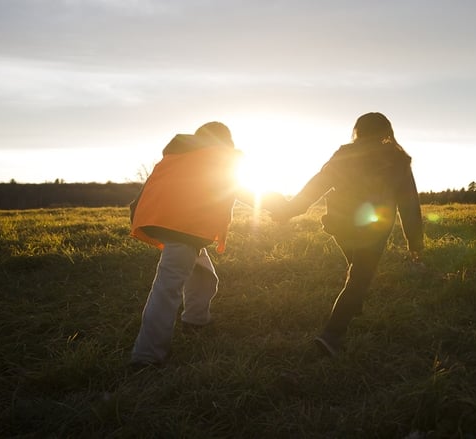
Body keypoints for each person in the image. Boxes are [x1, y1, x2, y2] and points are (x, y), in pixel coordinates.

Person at [272, 112, 424, 357]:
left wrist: (289, 211)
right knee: (360, 277)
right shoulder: (397, 160)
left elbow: (317, 185)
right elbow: (409, 204)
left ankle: (355, 303)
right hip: (373, 228)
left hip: (340, 225)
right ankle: (332, 336)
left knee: (358, 269)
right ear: (387, 132)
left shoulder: (345, 154)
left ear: (358, 131)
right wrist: (415, 243)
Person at [128, 121, 252, 369]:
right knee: (167, 289)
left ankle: (196, 320)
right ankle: (147, 356)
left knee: (204, 275)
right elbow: (240, 189)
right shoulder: (222, 157)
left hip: (166, 224)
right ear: (225, 141)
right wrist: (280, 207)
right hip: (184, 229)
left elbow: (147, 191)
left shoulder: (177, 155)